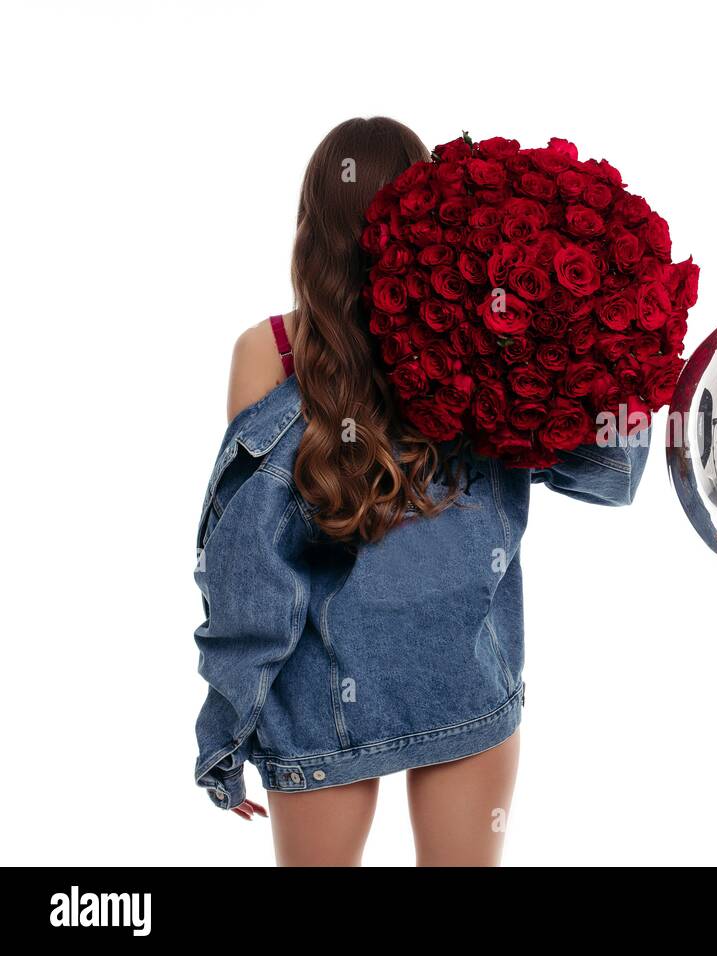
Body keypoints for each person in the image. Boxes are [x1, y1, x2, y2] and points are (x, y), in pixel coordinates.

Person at [193, 117, 648, 865]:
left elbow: (249, 571)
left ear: (310, 222)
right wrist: (580, 347)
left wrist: (227, 723)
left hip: (318, 708)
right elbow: (611, 474)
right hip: (468, 682)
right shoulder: (488, 348)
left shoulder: (271, 352)